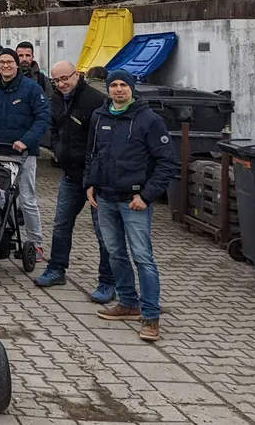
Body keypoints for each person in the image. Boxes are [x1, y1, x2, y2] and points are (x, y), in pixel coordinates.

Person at [86, 69, 178, 342]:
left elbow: (167, 162)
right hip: (104, 198)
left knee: (143, 258)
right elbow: (92, 154)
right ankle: (127, 302)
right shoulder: (99, 116)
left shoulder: (149, 120)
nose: (118, 89)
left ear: (132, 88)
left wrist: (147, 196)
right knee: (115, 253)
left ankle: (150, 317)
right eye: (113, 85)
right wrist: (89, 183)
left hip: (134, 202)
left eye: (123, 85)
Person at [36, 62, 118, 301]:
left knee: (103, 232)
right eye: (57, 81)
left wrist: (96, 174)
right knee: (61, 224)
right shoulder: (57, 100)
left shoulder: (95, 101)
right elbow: (55, 129)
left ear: (77, 75)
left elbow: (103, 141)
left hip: (96, 179)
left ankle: (107, 282)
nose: (62, 84)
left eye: (66, 78)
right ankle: (56, 269)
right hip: (71, 175)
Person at [0, 47, 51, 259]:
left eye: (10, 62)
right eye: (2, 63)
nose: (5, 66)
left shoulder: (31, 89)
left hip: (23, 154)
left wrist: (25, 140)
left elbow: (43, 118)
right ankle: (3, 237)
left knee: (26, 199)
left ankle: (36, 244)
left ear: (17, 65)